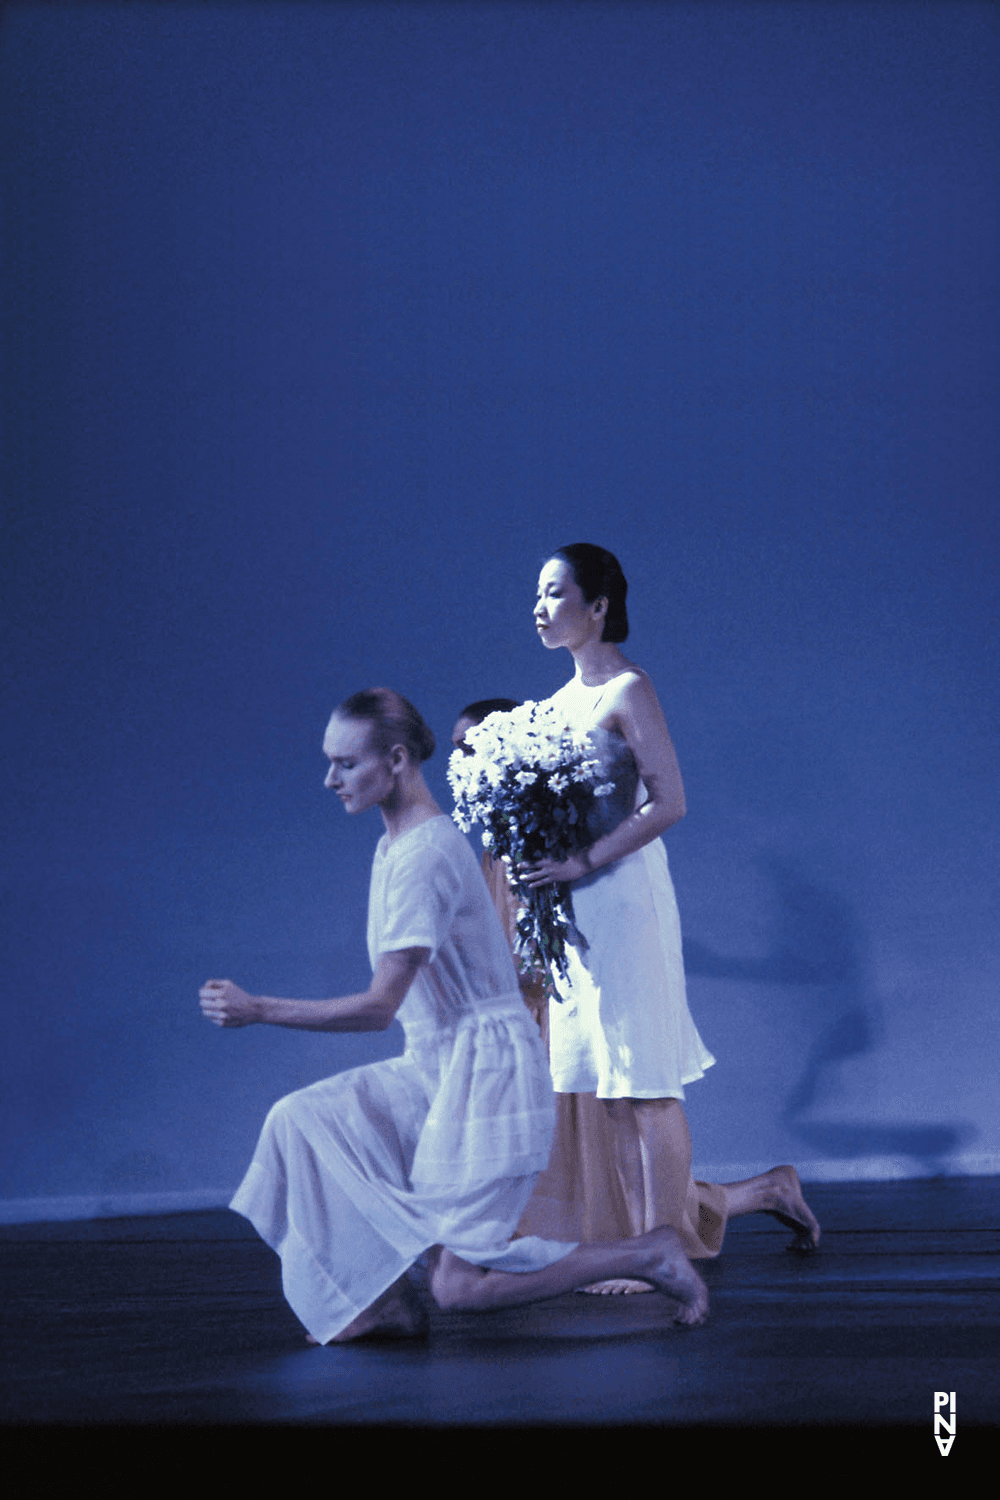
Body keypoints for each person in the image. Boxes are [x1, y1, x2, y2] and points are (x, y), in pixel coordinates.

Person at [200, 687, 710, 1343]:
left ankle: (648, 1253)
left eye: (346, 764)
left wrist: (260, 1008)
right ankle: (380, 1299)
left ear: (397, 759)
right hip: (439, 1069)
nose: (330, 780)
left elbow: (379, 1007)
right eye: (330, 763)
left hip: (488, 1083)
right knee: (299, 1120)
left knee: (459, 1289)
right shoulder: (395, 845)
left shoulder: (426, 857)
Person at [507, 545, 819, 1288]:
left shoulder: (628, 690)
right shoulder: (552, 706)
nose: (540, 607)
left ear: (598, 607)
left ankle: (666, 1243)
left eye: (555, 593)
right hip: (576, 912)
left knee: (643, 1080)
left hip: (623, 898)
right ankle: (643, 1245)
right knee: (605, 1086)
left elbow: (669, 801)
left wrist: (583, 861)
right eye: (537, 595)